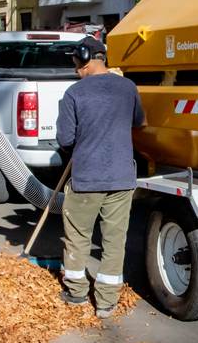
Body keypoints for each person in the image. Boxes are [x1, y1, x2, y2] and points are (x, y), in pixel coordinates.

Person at [56, 37, 146, 319]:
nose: (74, 69)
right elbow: (140, 122)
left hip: (86, 178)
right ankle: (106, 302)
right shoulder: (128, 87)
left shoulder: (74, 93)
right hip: (121, 178)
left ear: (85, 58)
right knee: (114, 240)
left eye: (75, 63)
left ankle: (77, 293)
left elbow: (65, 138)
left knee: (78, 236)